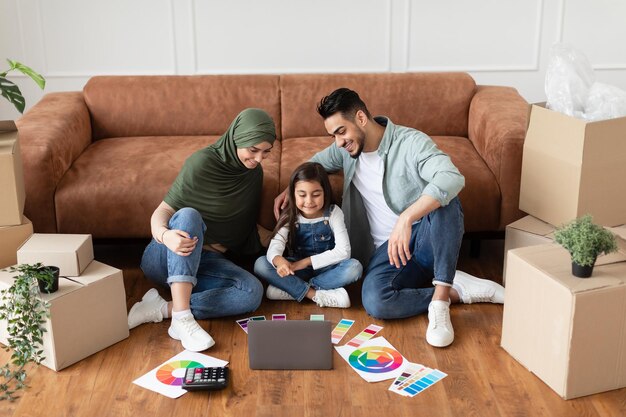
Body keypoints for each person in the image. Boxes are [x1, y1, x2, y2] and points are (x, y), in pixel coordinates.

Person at [274, 88, 505, 348]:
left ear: (361, 118)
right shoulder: (345, 150)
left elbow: (451, 177)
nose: (338, 142)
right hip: (386, 254)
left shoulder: (411, 143)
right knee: (375, 301)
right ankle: (456, 289)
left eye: (341, 132)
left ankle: (439, 303)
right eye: (333, 135)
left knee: (447, 202)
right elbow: (315, 164)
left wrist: (407, 218)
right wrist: (290, 189)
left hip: (425, 238)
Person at [128, 108, 276, 352]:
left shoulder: (252, 174)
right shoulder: (202, 163)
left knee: (252, 292)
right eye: (253, 150)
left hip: (207, 264)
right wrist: (166, 236)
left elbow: (243, 224)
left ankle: (165, 309)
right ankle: (184, 320)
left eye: (266, 152)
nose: (259, 159)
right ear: (236, 138)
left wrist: (284, 232)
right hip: (166, 257)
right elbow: (161, 213)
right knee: (188, 215)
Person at [254, 162, 362, 308]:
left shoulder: (333, 212)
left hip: (327, 269)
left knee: (355, 267)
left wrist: (302, 263)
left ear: (325, 192)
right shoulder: (289, 214)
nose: (309, 201)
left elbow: (344, 252)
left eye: (316, 194)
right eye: (302, 195)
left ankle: (292, 289)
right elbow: (276, 244)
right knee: (260, 264)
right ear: (293, 194)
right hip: (297, 270)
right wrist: (280, 261)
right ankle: (314, 294)